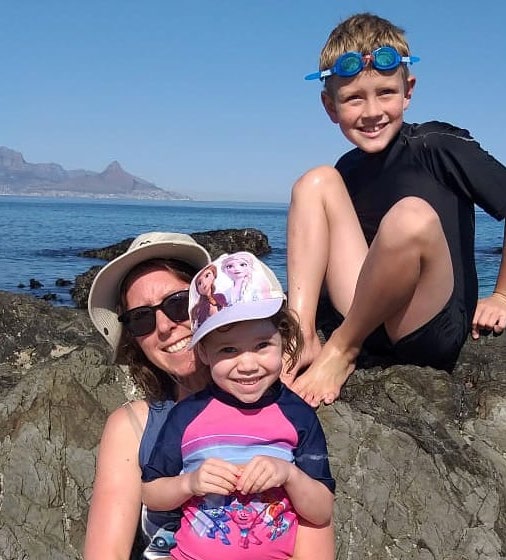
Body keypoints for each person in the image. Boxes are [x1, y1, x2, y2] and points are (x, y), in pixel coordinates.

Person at [282, 12, 506, 408]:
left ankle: (341, 350)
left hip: (428, 325)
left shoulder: (438, 144)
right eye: (353, 98)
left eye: (385, 92)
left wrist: (502, 295)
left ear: (408, 90)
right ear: (330, 106)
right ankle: (302, 337)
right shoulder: (346, 169)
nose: (372, 112)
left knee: (411, 216)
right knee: (314, 181)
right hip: (367, 318)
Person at [84, 232, 335, 560]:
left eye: (176, 304)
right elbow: (106, 553)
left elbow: (316, 519)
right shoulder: (132, 426)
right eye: (141, 318)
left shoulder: (289, 415)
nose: (163, 327)